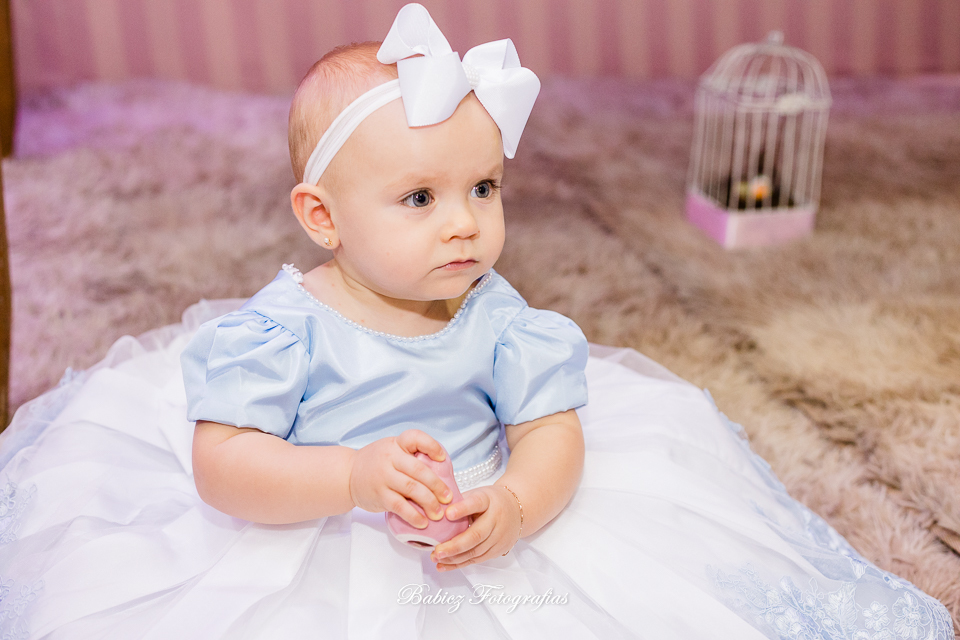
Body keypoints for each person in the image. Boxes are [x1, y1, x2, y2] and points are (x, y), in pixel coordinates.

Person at [0, 5, 953, 639]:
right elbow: (224, 468)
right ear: (322, 217)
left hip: (475, 519)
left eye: (485, 187)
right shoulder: (282, 332)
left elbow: (552, 431)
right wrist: (350, 475)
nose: (466, 221)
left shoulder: (498, 317)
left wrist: (520, 505)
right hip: (319, 522)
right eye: (419, 197)